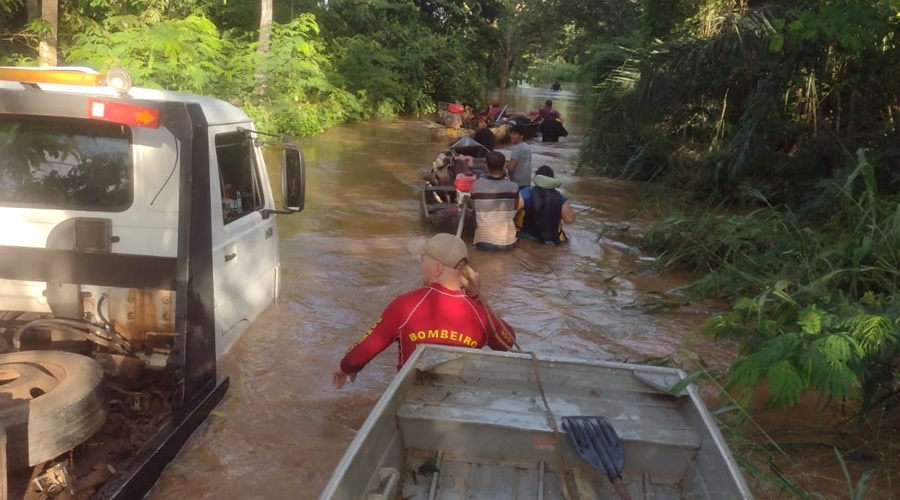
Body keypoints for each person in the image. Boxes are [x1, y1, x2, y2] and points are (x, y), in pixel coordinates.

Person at [332, 233, 517, 388]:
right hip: (458, 399)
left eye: (422, 261)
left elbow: (359, 355)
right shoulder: (480, 315)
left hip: (409, 397)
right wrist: (477, 296)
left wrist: (345, 367)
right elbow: (508, 342)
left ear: (437, 268)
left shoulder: (404, 306)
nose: (421, 267)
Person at [516, 165, 576, 245]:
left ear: (536, 177)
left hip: (526, 238)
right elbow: (569, 220)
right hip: (551, 242)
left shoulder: (525, 194)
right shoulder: (561, 199)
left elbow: (511, 211)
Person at [471, 151, 519, 251]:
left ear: (487, 167)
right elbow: (516, 207)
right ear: (504, 167)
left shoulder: (476, 185)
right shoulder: (514, 187)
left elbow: (473, 208)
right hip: (507, 243)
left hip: (483, 243)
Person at [505, 124, 533, 191]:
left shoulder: (517, 148)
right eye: (511, 134)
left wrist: (502, 163)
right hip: (527, 183)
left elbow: (511, 168)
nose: (511, 136)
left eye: (514, 134)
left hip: (517, 184)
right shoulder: (526, 147)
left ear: (521, 136)